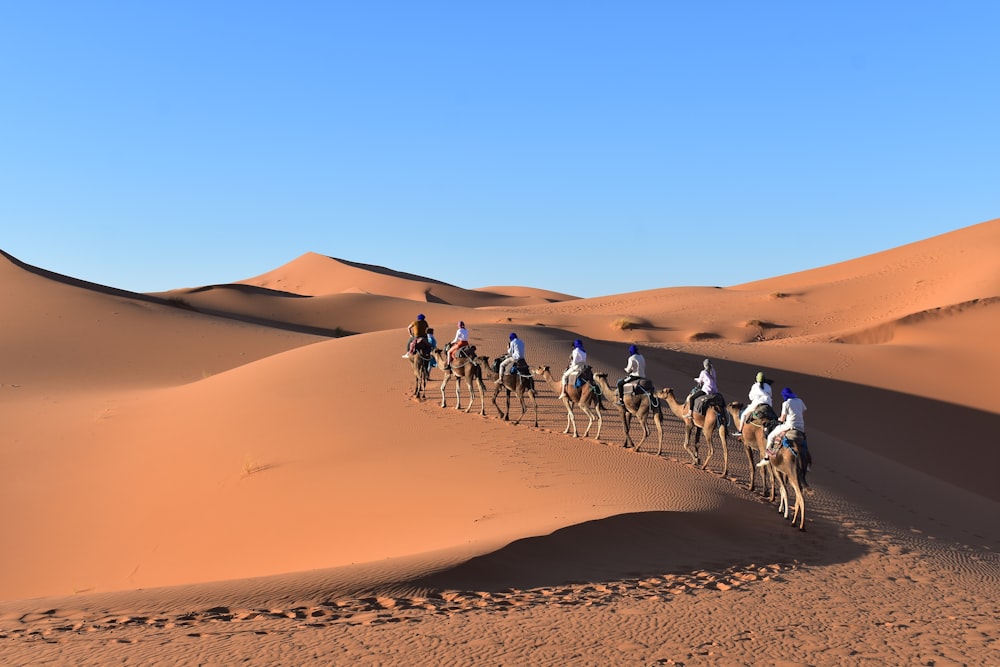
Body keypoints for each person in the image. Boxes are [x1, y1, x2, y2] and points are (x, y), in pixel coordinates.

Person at [757, 387, 807, 467]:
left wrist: (779, 419)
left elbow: (782, 417)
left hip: (789, 425)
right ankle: (807, 462)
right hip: (800, 426)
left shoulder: (786, 403)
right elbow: (804, 412)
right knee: (804, 441)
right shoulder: (799, 401)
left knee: (771, 436)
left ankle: (766, 458)